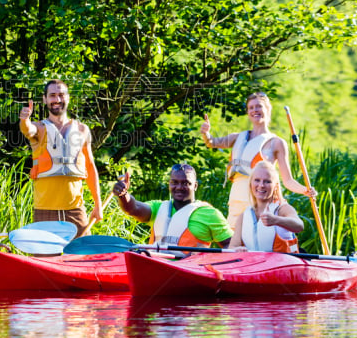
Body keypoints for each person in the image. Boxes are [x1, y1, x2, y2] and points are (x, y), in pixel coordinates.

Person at [200, 91, 316, 227]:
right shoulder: (237, 137)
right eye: (251, 107)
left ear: (267, 109)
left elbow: (288, 180)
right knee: (233, 241)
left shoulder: (276, 142)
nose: (255, 110)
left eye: (259, 106)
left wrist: (305, 190)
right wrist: (206, 133)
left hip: (258, 198)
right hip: (236, 197)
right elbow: (211, 142)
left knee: (254, 239)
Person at [19, 79, 102, 237]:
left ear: (68, 97)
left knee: (81, 259)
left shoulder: (82, 129)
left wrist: (98, 204)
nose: (57, 100)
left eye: (61, 95)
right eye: (52, 95)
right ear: (45, 99)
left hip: (76, 212)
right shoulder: (39, 128)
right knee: (45, 261)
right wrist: (25, 120)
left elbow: (91, 167)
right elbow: (27, 130)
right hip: (45, 212)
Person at [111, 163, 233, 248]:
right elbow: (133, 208)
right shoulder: (158, 207)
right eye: (174, 182)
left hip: (189, 271)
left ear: (195, 186)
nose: (179, 187)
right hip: (156, 265)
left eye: (185, 183)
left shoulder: (210, 214)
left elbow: (230, 244)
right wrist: (123, 195)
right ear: (169, 184)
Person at [230, 161, 304, 252]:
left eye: (267, 181)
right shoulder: (243, 216)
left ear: (275, 186)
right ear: (251, 184)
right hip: (255, 264)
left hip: (283, 263)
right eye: (257, 180)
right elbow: (232, 247)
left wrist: (276, 220)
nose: (261, 185)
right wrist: (237, 250)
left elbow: (299, 225)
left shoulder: (282, 209)